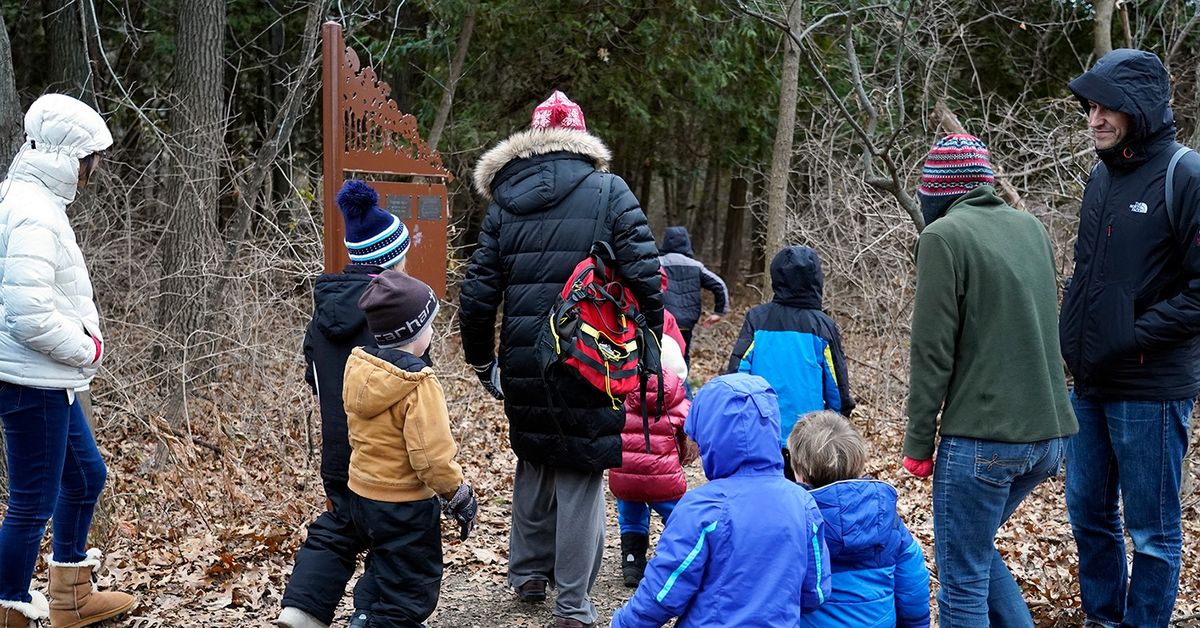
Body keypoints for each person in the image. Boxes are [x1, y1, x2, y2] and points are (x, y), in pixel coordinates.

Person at [459, 90, 662, 628]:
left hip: (524, 354)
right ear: (580, 136)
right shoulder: (608, 190)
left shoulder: (503, 199)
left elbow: (478, 293)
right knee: (580, 471)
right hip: (589, 351)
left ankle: (527, 573)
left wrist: (482, 360)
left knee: (534, 455)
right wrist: (647, 339)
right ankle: (573, 604)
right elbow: (645, 274)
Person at [903, 134, 1077, 626]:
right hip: (1048, 438)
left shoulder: (943, 237)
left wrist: (918, 442)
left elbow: (931, 351)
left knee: (962, 578)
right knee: (974, 551)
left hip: (983, 439)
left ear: (936, 192)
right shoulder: (1031, 229)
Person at [1060, 49, 1200, 627]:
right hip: (1090, 384)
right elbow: (1088, 273)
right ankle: (1103, 619)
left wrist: (1129, 334)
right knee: (1088, 515)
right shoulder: (1101, 176)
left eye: (1107, 107)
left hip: (1151, 387)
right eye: (1090, 107)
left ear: (1138, 109)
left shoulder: (1184, 175)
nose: (1095, 118)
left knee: (1152, 532)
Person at [0, 94, 135, 628]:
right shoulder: (31, 212)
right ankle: (8, 606)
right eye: (90, 160)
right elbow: (29, 316)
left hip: (41, 377)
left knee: (84, 477)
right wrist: (87, 349)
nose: (92, 171)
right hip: (30, 377)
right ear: (68, 156)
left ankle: (71, 596)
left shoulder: (26, 199)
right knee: (32, 502)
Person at [285, 271, 476, 628]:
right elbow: (431, 457)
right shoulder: (418, 385)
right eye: (430, 326)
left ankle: (364, 615)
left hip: (362, 494)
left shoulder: (357, 367)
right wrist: (457, 493)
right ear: (415, 333)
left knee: (385, 565)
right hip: (404, 503)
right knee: (410, 583)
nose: (433, 333)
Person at [279, 179, 413, 628]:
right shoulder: (394, 314)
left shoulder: (325, 312)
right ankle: (371, 615)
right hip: (386, 454)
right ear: (391, 260)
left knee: (340, 526)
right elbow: (414, 384)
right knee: (394, 533)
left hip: (338, 447)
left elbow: (313, 378)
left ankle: (301, 610)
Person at [610, 374, 831, 627]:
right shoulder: (803, 503)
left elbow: (662, 594)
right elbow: (816, 591)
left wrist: (623, 623)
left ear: (711, 438)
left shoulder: (701, 508)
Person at [788, 411, 930, 627]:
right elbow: (912, 584)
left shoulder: (791, 520)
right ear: (859, 464)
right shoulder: (885, 519)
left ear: (799, 472)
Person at [726, 245, 854, 480]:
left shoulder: (757, 318)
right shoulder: (823, 326)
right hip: (809, 440)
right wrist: (838, 422)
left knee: (766, 496)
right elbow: (836, 386)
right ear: (816, 280)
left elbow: (737, 374)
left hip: (761, 433)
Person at [608, 309, 694, 588]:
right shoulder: (678, 400)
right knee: (677, 515)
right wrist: (683, 455)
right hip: (664, 478)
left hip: (626, 475)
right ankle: (674, 557)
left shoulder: (621, 394)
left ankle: (632, 563)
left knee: (630, 516)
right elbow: (689, 437)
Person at [657, 226, 729, 361]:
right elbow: (719, 285)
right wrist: (718, 312)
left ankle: (660, 380)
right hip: (686, 322)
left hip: (662, 320)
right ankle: (682, 380)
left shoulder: (656, 264)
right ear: (687, 243)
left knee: (660, 355)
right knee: (683, 354)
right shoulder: (696, 267)